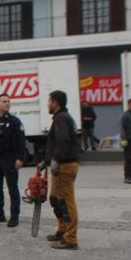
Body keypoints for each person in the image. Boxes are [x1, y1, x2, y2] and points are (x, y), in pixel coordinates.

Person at [40, 90, 80, 250]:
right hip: (61, 165)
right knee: (55, 199)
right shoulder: (61, 117)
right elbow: (55, 142)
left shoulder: (61, 118)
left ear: (55, 102)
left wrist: (55, 159)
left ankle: (71, 239)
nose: (48, 104)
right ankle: (62, 230)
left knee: (65, 202)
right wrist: (46, 161)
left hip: (65, 166)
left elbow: (63, 141)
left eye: (49, 101)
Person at [0, 93, 26, 228]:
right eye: (4, 101)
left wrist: (20, 158)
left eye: (8, 101)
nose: (7, 103)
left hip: (9, 158)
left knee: (12, 188)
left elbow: (21, 141)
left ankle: (14, 216)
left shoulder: (15, 121)